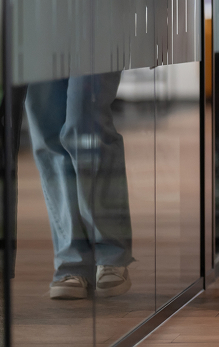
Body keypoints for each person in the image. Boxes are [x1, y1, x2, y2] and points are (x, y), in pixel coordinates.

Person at [26, 72, 133, 299]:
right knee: (48, 130)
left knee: (86, 121)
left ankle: (110, 253)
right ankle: (72, 259)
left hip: (94, 35)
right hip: (38, 36)